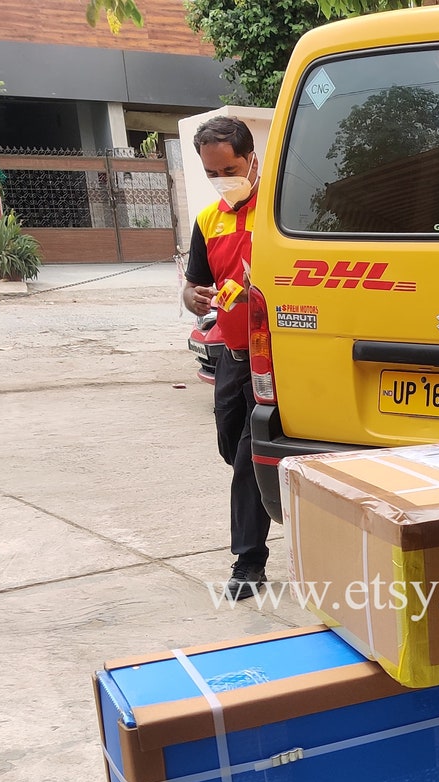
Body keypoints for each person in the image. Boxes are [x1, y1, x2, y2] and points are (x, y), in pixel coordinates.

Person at [181, 116, 271, 601]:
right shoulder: (207, 221)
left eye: (230, 169)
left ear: (252, 159)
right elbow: (195, 284)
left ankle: (248, 562)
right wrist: (192, 297)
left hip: (272, 359)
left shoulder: (278, 213)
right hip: (231, 355)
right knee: (228, 443)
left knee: (245, 456)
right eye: (212, 173)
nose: (223, 181)